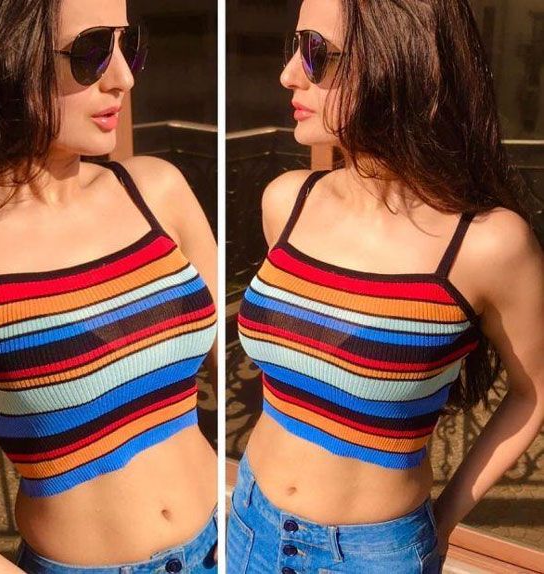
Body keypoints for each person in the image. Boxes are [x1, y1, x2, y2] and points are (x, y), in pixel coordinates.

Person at [0, 0, 218, 572]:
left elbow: (268, 373)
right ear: (4, 55)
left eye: (128, 45)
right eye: (92, 50)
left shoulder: (156, 191)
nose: (122, 78)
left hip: (232, 539)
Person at [227, 0, 544, 572]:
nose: (289, 74)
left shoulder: (485, 244)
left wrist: (442, 522)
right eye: (293, 47)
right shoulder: (288, 201)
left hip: (374, 554)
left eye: (316, 53)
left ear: (397, 60)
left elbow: (534, 392)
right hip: (252, 524)